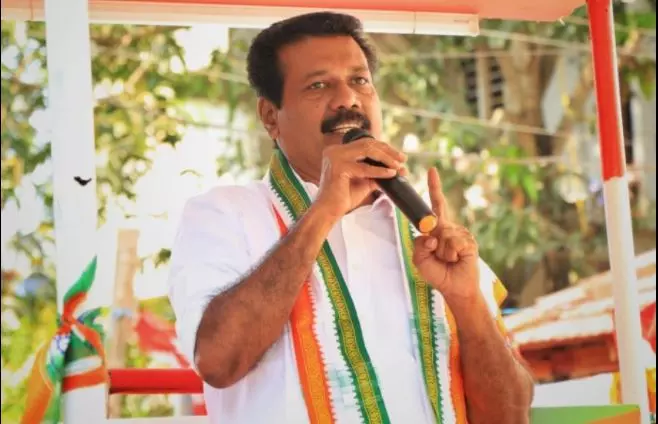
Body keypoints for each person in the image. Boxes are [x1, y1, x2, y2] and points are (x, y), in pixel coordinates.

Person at [168, 11, 534, 424]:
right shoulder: (223, 214)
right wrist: (323, 211)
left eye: (360, 80)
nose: (347, 99)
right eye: (318, 85)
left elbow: (510, 415)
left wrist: (466, 301)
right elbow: (218, 361)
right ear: (270, 116)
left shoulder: (431, 231)